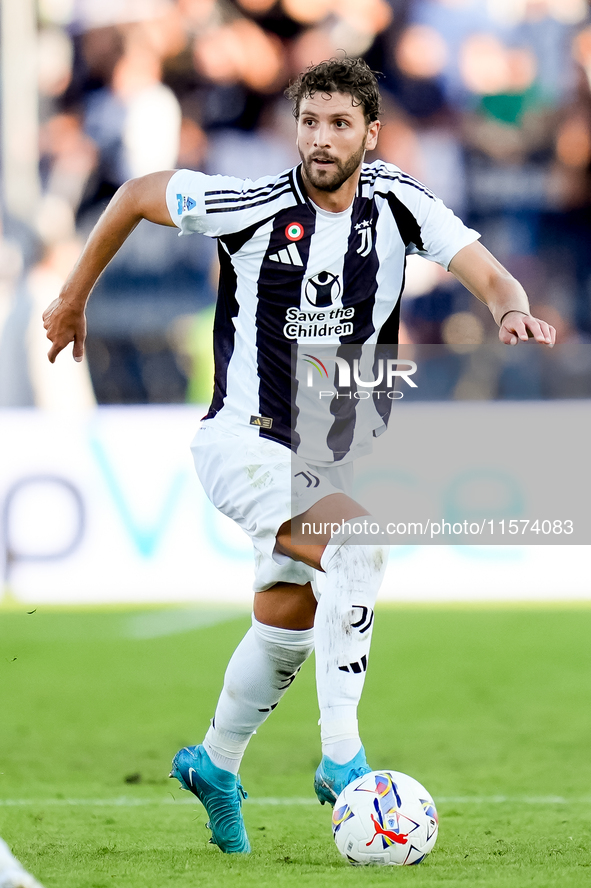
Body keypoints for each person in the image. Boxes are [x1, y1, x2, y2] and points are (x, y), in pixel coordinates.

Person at [42, 57, 556, 855]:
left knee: (287, 625)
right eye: (309, 121)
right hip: (241, 440)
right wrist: (74, 295)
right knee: (357, 539)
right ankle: (343, 761)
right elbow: (139, 193)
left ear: (370, 134)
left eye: (339, 124)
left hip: (331, 452)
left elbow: (484, 271)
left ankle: (213, 765)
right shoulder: (250, 204)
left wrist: (511, 310)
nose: (320, 139)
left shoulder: (398, 204)